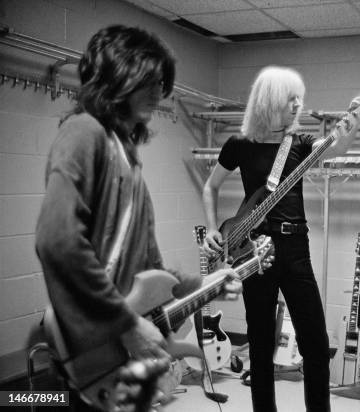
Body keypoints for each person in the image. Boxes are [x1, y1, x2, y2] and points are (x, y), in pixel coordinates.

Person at [35, 25, 242, 381]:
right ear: (116, 80)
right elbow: (57, 241)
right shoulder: (84, 132)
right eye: (148, 81)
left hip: (116, 361)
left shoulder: (127, 160)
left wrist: (206, 286)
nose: (158, 93)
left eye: (161, 84)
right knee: (31, 402)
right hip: (88, 355)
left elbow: (149, 270)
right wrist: (126, 324)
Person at [201, 66, 360, 412]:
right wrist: (213, 229)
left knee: (316, 346)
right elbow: (210, 186)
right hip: (254, 252)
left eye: (298, 99)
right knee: (260, 346)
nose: (297, 105)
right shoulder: (239, 145)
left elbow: (334, 150)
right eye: (289, 98)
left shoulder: (300, 143)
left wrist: (352, 125)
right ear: (268, 101)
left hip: (295, 249)